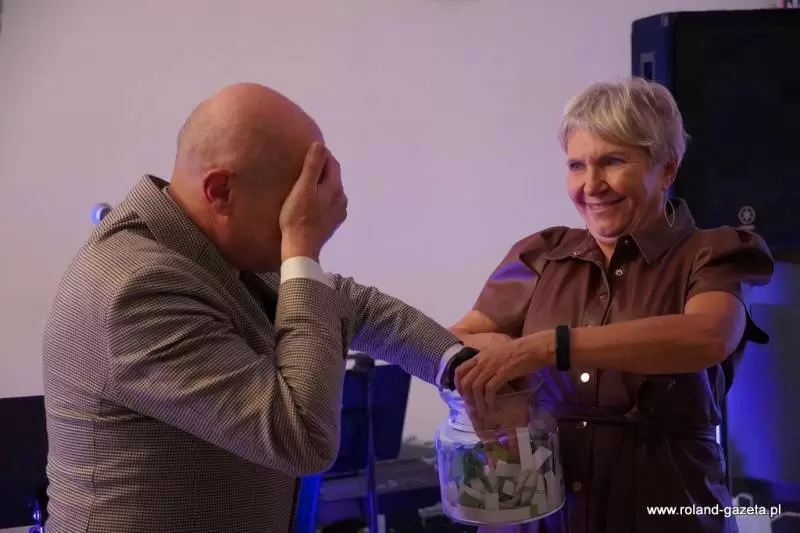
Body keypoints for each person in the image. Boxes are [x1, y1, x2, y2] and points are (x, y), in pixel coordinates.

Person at [42, 83, 471, 533]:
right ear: (221, 191)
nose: (306, 218)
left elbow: (348, 304)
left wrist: (458, 365)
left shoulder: (206, 244)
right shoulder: (137, 288)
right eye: (295, 204)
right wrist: (302, 248)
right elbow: (301, 437)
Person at [449, 78, 775, 533]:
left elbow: (707, 336)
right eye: (577, 165)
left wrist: (546, 348)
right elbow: (459, 338)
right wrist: (504, 385)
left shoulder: (714, 252)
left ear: (667, 168)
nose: (591, 185)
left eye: (613, 161)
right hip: (538, 516)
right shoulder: (540, 254)